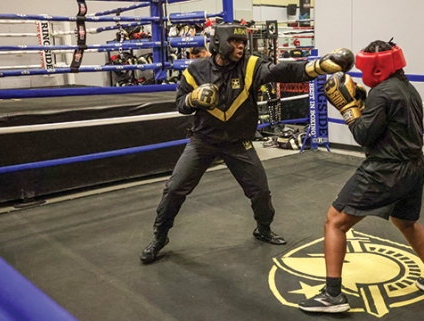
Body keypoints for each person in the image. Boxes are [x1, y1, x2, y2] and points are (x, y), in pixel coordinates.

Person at [139, 22, 355, 264]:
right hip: (203, 142)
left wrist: (317, 67)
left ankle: (263, 229)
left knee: (260, 191)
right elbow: (180, 104)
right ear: (219, 42)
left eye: (243, 42)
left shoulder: (252, 66)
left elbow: (282, 72)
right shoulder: (196, 70)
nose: (241, 46)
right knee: (174, 188)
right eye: (235, 41)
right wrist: (193, 99)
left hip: (238, 143)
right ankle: (160, 236)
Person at [298, 39, 424, 313]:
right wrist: (364, 102)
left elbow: (363, 134)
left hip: (385, 170)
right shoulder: (407, 88)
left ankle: (332, 296)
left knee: (334, 222)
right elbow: (390, 125)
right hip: (414, 168)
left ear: (376, 68)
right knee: (406, 222)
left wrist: (348, 108)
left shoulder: (383, 93)